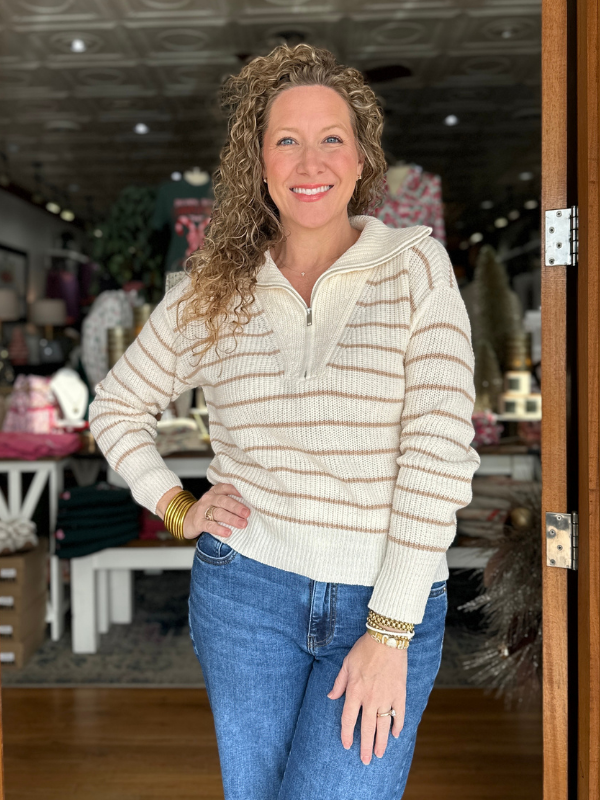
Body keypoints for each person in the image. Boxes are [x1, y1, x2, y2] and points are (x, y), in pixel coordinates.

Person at [89, 43, 480, 800]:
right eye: (287, 140)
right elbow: (116, 406)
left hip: (384, 600)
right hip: (246, 596)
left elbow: (437, 456)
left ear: (363, 158)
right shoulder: (215, 287)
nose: (311, 161)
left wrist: (391, 629)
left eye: (333, 137)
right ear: (259, 162)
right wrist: (176, 506)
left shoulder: (416, 267)